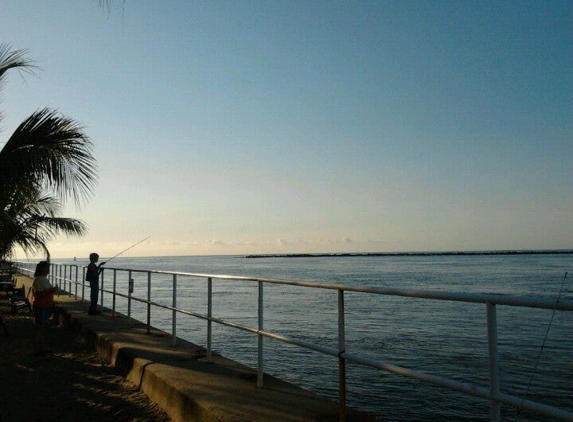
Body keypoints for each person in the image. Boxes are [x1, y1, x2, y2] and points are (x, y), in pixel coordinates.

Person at [32, 260, 57, 356]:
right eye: (47, 268)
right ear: (43, 269)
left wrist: (51, 290)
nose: (48, 269)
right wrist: (52, 290)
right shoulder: (39, 279)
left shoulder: (44, 279)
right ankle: (37, 350)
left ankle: (41, 348)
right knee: (39, 328)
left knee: (41, 328)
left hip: (45, 306)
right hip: (40, 306)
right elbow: (39, 295)